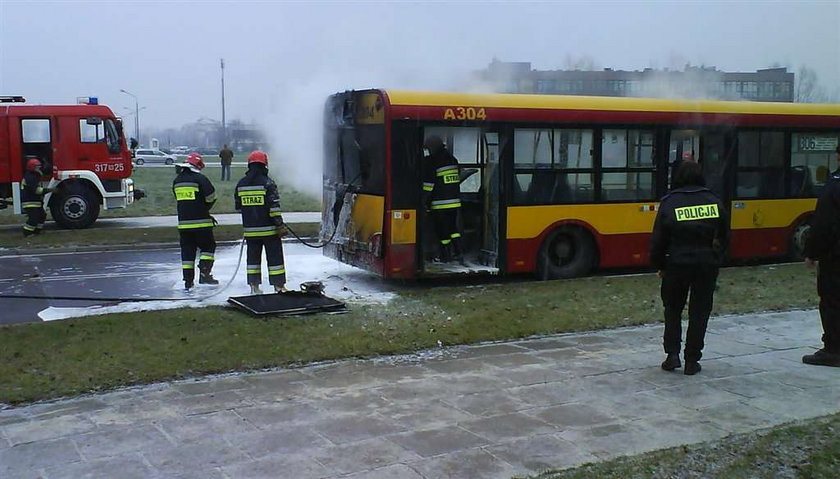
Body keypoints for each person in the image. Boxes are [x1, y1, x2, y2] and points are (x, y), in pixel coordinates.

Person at [650, 161, 729, 375]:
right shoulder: (713, 200)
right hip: (706, 264)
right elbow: (724, 236)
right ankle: (692, 360)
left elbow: (659, 239)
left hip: (677, 263)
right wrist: (716, 257)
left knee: (673, 309)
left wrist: (659, 265)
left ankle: (672, 355)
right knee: (700, 312)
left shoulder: (670, 202)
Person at [802, 145, 840, 367]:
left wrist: (812, 252)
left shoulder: (835, 184)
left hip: (835, 257)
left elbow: (824, 224)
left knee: (832, 300)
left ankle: (833, 349)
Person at [235, 150, 287, 294]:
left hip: (250, 231)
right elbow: (274, 208)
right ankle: (278, 286)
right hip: (270, 230)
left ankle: (254, 287)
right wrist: (280, 225)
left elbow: (238, 207)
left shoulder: (241, 184)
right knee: (275, 259)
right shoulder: (268, 183)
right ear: (265, 164)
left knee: (252, 259)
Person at [173, 152, 219, 290]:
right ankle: (205, 274)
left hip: (183, 224)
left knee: (187, 253)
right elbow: (211, 197)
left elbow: (180, 200)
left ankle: (188, 281)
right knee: (208, 247)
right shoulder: (200, 179)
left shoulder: (177, 181)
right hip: (202, 223)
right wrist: (205, 209)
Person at [422, 135, 465, 264]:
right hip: (454, 203)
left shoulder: (432, 162)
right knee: (453, 229)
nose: (428, 151)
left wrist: (423, 201)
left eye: (428, 148)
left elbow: (428, 186)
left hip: (439, 204)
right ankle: (459, 252)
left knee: (442, 232)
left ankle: (445, 256)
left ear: (433, 147)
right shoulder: (452, 159)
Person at [20, 158, 52, 237]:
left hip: (35, 201)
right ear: (32, 167)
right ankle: (27, 233)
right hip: (30, 202)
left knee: (42, 215)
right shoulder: (30, 177)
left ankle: (37, 231)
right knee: (34, 217)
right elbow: (37, 190)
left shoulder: (34, 175)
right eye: (37, 167)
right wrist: (49, 190)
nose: (39, 168)